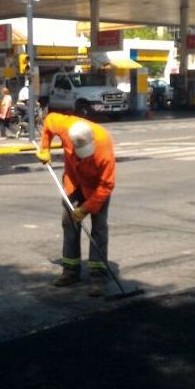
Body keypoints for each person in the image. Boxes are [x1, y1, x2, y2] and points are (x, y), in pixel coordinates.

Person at [36, 113, 115, 297]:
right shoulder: (65, 125)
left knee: (99, 229)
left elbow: (107, 185)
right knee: (68, 223)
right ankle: (70, 271)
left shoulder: (104, 145)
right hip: (73, 181)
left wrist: (87, 208)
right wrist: (45, 148)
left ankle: (98, 277)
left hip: (96, 189)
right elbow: (48, 122)